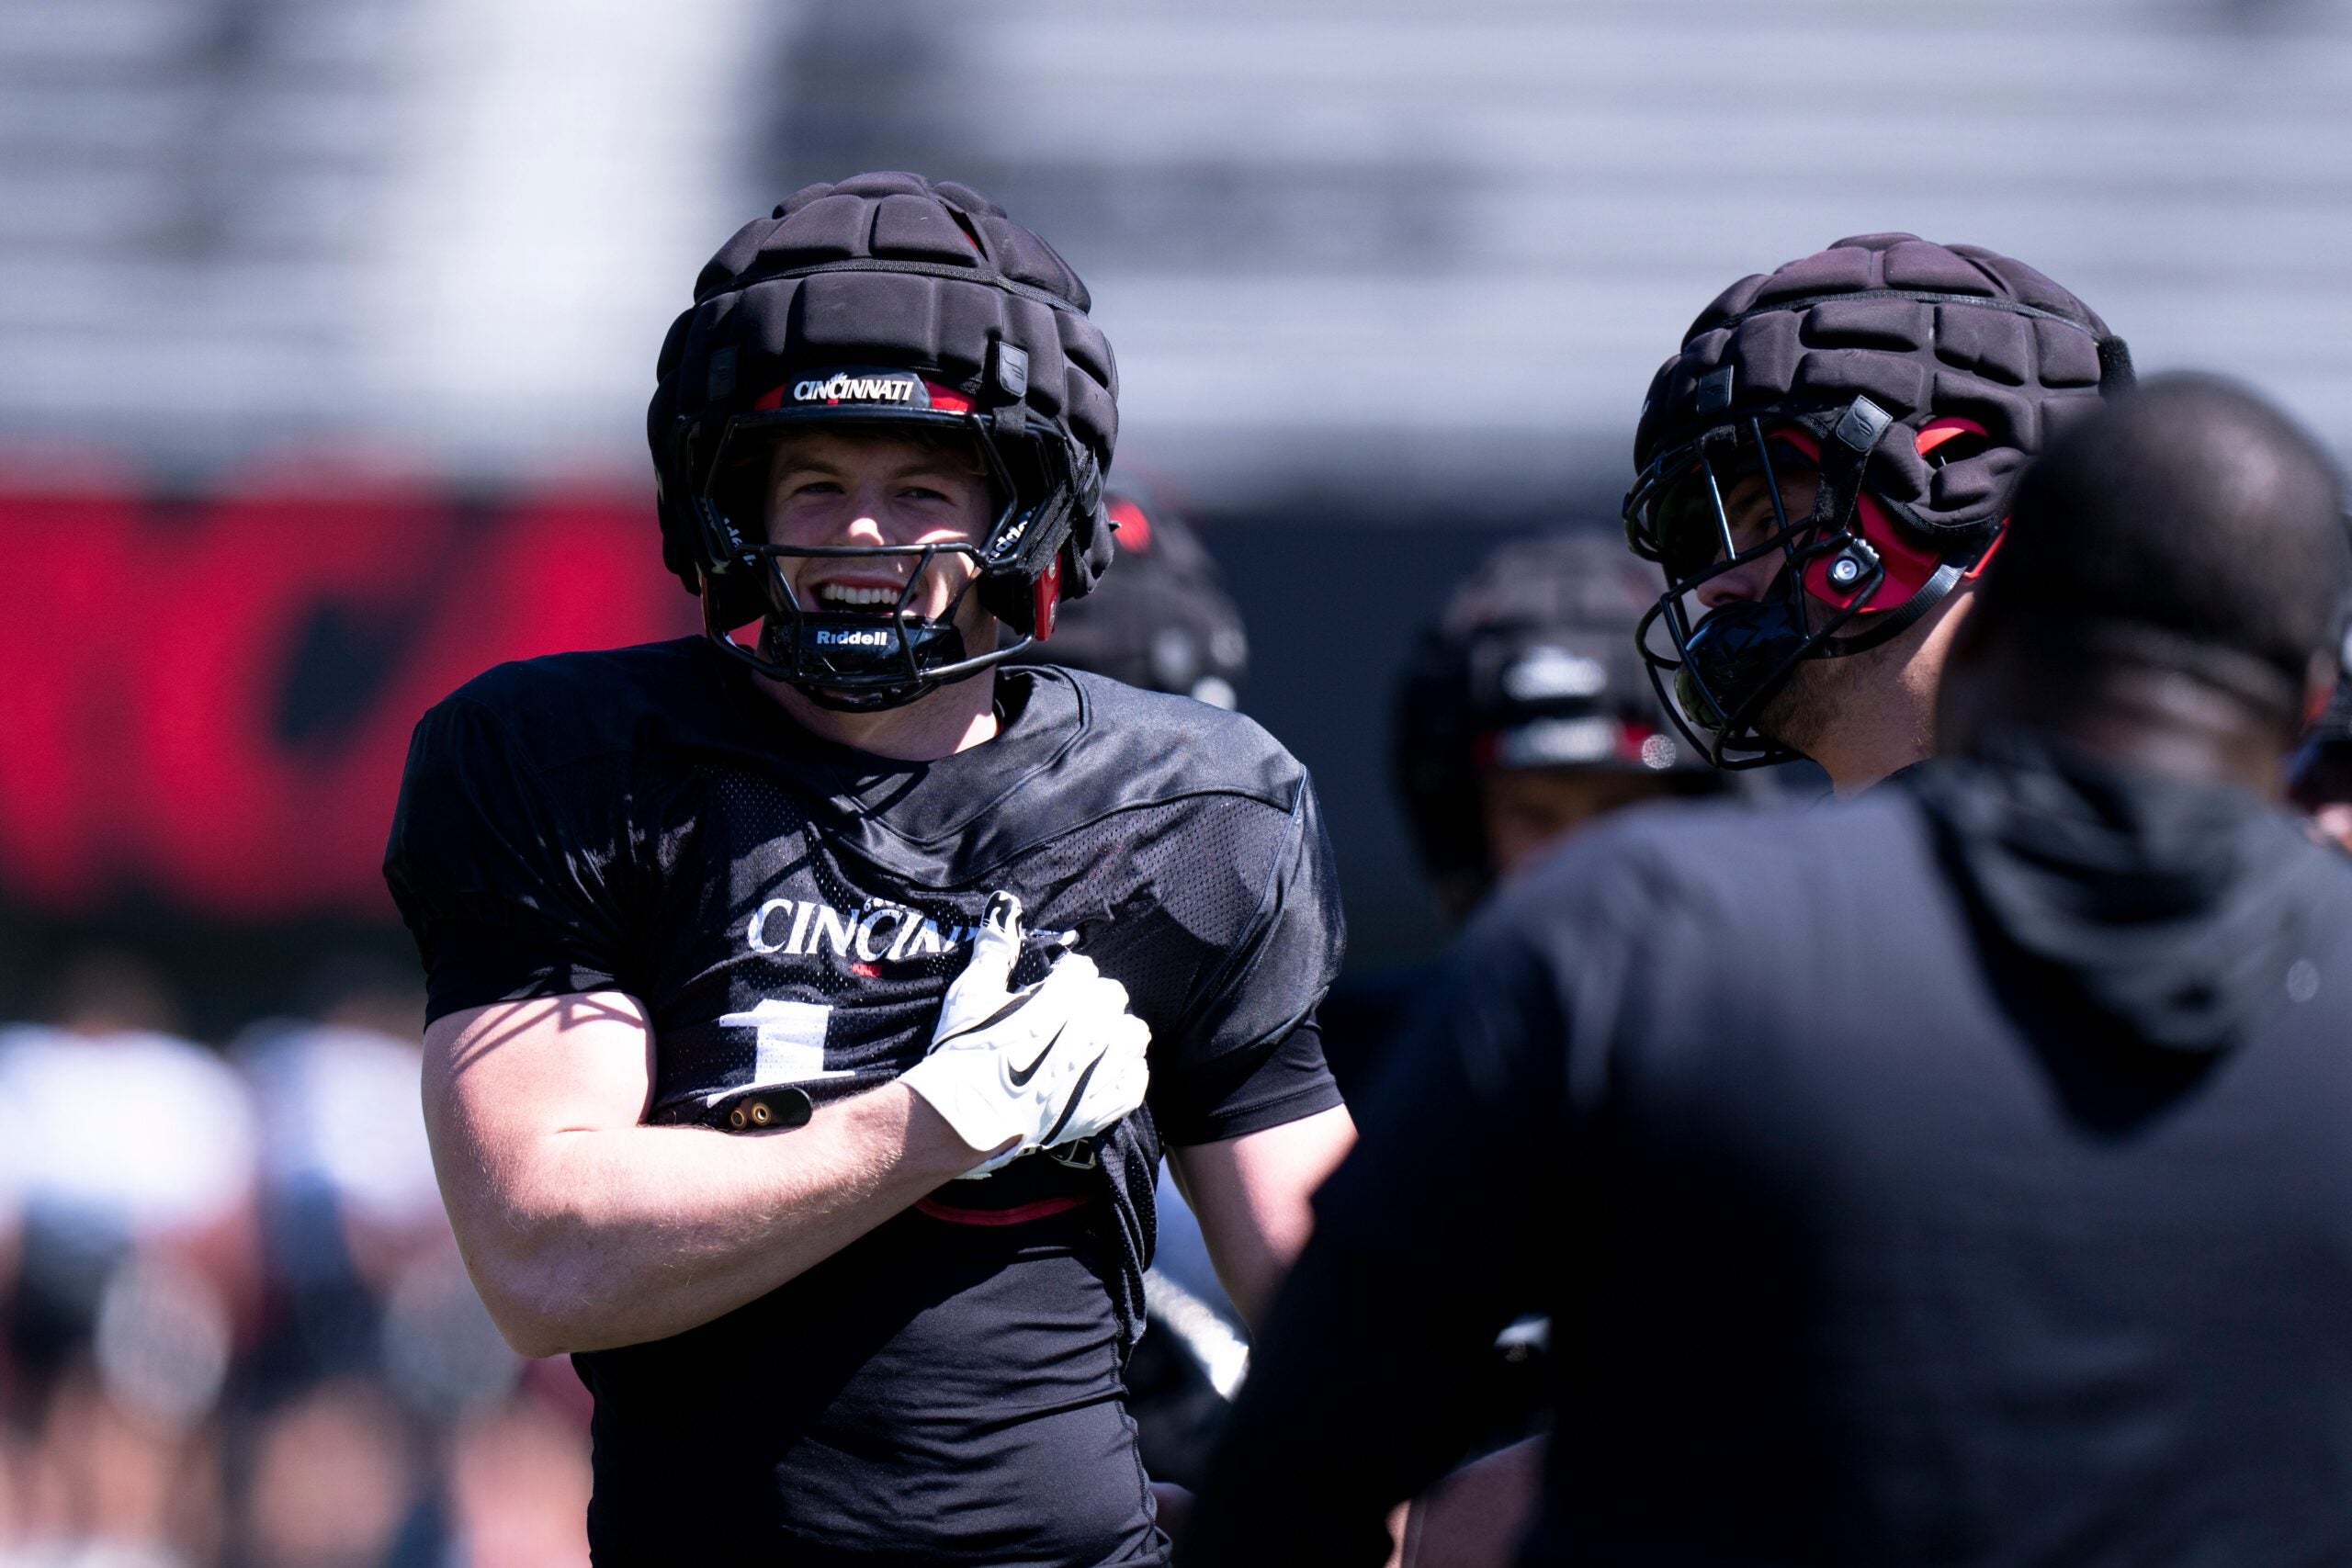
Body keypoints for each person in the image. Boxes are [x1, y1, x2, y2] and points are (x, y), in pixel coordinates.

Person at [1189, 374, 2352, 1566]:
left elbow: (1297, 1464)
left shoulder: (1643, 933)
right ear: (2308, 695)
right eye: (1534, 805)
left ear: (1993, 627)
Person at [382, 171, 1353, 1566]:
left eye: (918, 487)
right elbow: (547, 1252)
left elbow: (1336, 1310)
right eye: (816, 480)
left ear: (1022, 504)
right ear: (730, 492)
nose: (859, 535)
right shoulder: (574, 766)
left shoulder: (1194, 810)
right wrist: (929, 1121)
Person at [1621, 232, 2132, 790]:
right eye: (1712, 544)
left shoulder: (2163, 863)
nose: (1710, 590)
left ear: (1954, 478)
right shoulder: (1761, 868)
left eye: (1769, 519)